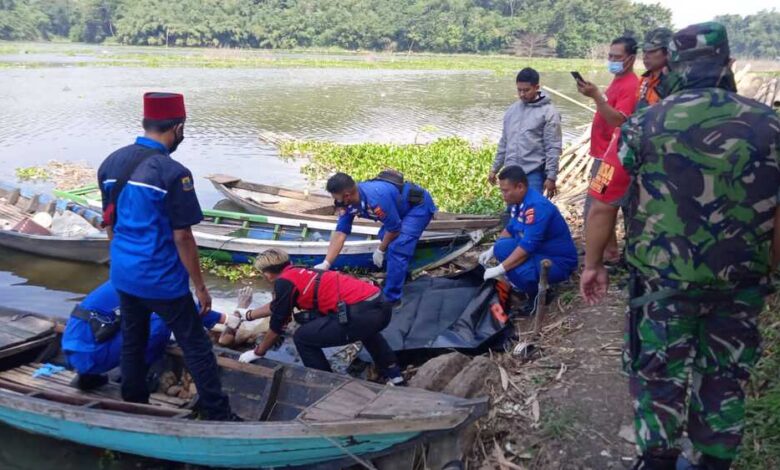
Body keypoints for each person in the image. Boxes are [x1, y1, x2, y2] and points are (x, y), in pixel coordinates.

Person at [580, 22, 780, 470]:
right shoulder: (770, 126)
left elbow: (602, 202)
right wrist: (769, 269)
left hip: (662, 286)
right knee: (724, 377)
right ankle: (712, 461)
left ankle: (658, 461)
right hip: (741, 284)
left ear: (675, 67)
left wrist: (594, 263)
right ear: (727, 65)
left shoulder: (644, 124)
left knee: (659, 375)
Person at [97, 92, 234, 420]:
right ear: (177, 126)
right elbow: (183, 236)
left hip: (125, 275)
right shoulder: (174, 173)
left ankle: (133, 400)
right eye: (182, 130)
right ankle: (218, 413)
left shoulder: (110, 163)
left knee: (134, 337)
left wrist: (121, 261)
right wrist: (200, 287)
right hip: (160, 280)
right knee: (195, 345)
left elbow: (109, 223)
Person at [237, 249, 405, 385]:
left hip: (361, 313)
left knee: (303, 337)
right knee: (367, 332)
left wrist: (258, 352)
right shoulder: (302, 271)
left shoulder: (284, 282)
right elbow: (277, 306)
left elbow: (277, 324)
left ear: (267, 274)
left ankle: (325, 383)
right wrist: (248, 315)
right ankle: (394, 375)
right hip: (380, 305)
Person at [61, 281, 244, 390]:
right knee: (163, 319)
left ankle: (87, 376)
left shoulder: (124, 275)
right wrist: (227, 319)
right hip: (93, 354)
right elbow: (183, 308)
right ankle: (138, 377)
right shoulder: (154, 283)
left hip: (72, 345)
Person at [313, 172, 437, 305]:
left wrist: (380, 250)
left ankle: (392, 299)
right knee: (384, 236)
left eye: (337, 199)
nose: (337, 202)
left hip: (418, 207)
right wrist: (326, 263)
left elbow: (394, 230)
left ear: (347, 196)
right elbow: (340, 232)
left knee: (398, 246)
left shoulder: (376, 200)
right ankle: (400, 276)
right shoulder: (348, 203)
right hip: (399, 207)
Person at [577, 36, 640, 262]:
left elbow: (618, 121)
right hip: (603, 155)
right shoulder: (618, 81)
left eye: (617, 57)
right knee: (603, 207)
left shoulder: (632, 85)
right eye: (610, 56)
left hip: (612, 159)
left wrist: (595, 97)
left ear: (631, 59)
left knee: (597, 207)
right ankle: (610, 252)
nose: (612, 61)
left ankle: (611, 255)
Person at [480, 166, 577, 301]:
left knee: (521, 271)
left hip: (558, 261)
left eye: (506, 191)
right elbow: (511, 229)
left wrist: (499, 269)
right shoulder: (519, 202)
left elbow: (528, 246)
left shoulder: (537, 207)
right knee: (500, 248)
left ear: (520, 187)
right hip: (541, 252)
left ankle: (538, 295)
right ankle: (526, 283)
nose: (503, 195)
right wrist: (492, 250)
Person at [489, 67, 562, 197]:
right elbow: (504, 142)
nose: (522, 94)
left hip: (533, 173)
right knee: (512, 211)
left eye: (526, 90)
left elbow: (553, 147)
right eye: (519, 90)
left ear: (536, 87)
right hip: (511, 171)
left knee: (531, 212)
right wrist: (495, 168)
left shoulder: (549, 113)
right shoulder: (512, 111)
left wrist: (551, 177)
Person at [637, 28, 672, 110]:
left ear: (668, 52)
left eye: (652, 51)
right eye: (644, 51)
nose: (645, 56)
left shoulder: (673, 83)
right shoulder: (644, 79)